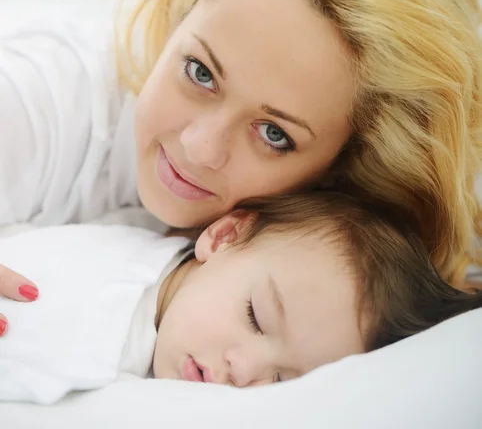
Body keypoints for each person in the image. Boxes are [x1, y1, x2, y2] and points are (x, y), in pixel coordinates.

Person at [1, 0, 481, 334]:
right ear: (178, 21)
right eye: (200, 72)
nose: (200, 147)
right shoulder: (52, 93)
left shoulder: (327, 256)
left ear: (339, 172)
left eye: (274, 134)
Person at [1, 191, 481, 404]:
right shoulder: (134, 225)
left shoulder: (134, 386)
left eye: (280, 379)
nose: (245, 371)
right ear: (225, 235)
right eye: (255, 317)